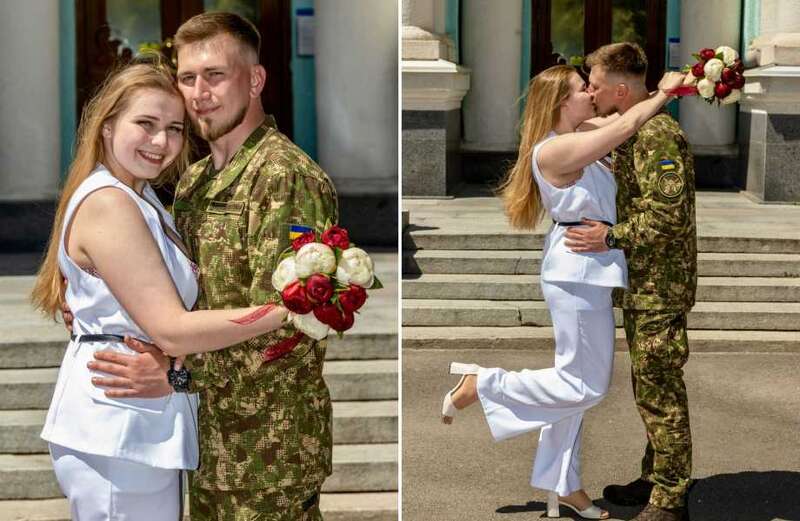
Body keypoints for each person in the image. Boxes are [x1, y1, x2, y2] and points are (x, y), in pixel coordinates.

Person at [69, 12, 339, 520]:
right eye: (187, 78)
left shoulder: (285, 177)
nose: (199, 92)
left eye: (215, 75)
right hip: (205, 439)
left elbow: (294, 324)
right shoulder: (193, 182)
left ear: (255, 80)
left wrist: (176, 374)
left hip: (268, 446)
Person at [31, 59, 292, 520]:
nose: (161, 142)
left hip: (135, 422)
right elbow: (171, 328)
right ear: (107, 126)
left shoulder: (141, 196)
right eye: (145, 124)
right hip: (115, 426)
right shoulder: (110, 202)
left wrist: (174, 369)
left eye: (174, 128)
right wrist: (288, 309)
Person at [440, 63, 685, 519]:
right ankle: (484, 383)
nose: (590, 94)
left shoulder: (581, 132)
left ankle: (564, 485)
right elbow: (629, 122)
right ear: (559, 103)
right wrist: (666, 92)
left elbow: (622, 116)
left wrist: (651, 90)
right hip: (576, 271)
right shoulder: (554, 151)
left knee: (573, 382)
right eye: (580, 89)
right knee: (584, 384)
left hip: (590, 268)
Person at [565, 42, 696, 521]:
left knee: (660, 389)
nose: (592, 92)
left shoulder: (657, 136)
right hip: (644, 283)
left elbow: (669, 216)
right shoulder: (636, 131)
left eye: (596, 85)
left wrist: (610, 235)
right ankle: (654, 476)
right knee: (650, 387)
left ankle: (669, 497)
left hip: (660, 285)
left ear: (621, 89)